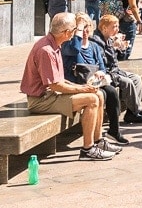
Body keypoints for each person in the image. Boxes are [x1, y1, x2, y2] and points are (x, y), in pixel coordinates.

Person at [20, 12, 120, 161]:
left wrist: (85, 86)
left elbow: (59, 80)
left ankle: (98, 141)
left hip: (50, 95)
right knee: (91, 99)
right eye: (75, 30)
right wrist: (83, 89)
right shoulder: (46, 50)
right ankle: (88, 149)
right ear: (67, 33)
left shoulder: (54, 44)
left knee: (98, 94)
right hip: (41, 100)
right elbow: (56, 86)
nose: (76, 34)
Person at [61, 13, 128, 144]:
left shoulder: (94, 46)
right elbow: (75, 49)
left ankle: (114, 131)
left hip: (94, 83)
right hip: (77, 84)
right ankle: (95, 139)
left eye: (87, 27)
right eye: (81, 28)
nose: (85, 31)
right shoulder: (69, 46)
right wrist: (78, 33)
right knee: (100, 95)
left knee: (112, 92)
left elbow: (102, 67)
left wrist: (101, 74)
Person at [91, 14, 142, 125]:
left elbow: (120, 59)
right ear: (104, 28)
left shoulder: (109, 39)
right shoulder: (97, 40)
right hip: (106, 73)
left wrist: (120, 48)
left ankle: (133, 111)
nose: (117, 29)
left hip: (114, 70)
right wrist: (113, 47)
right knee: (128, 83)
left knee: (136, 78)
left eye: (117, 26)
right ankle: (136, 112)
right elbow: (102, 62)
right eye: (114, 27)